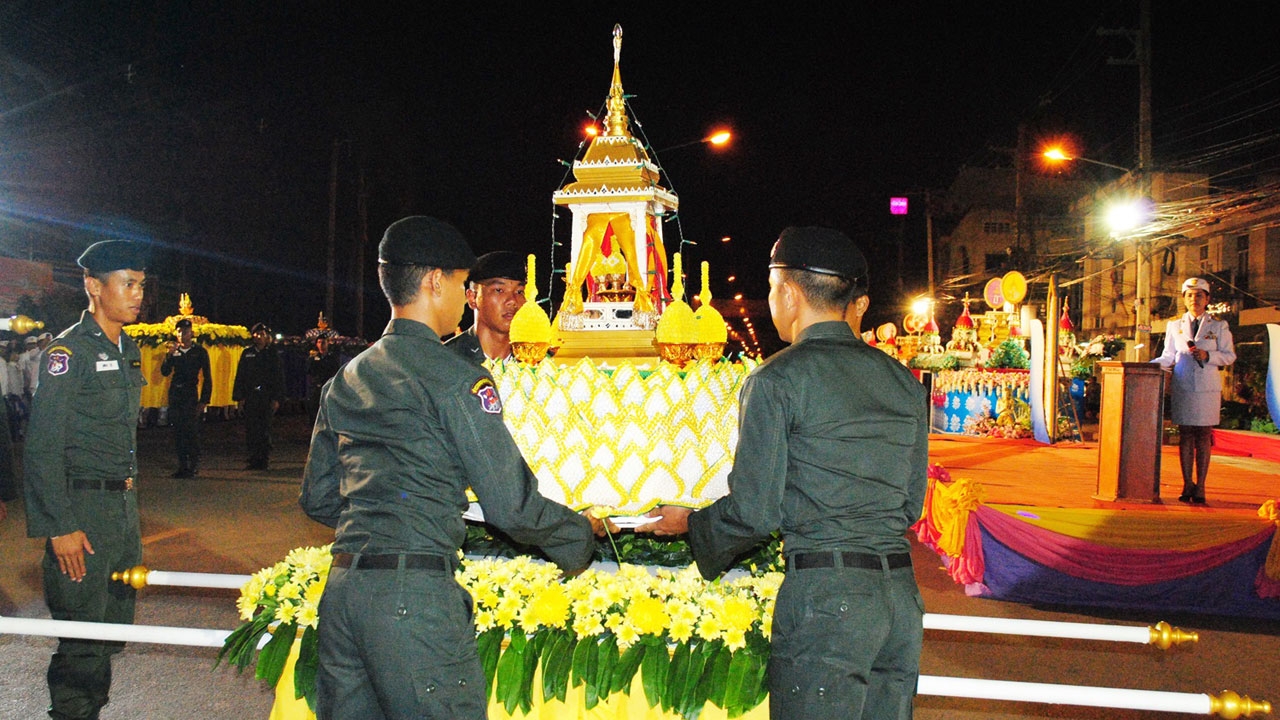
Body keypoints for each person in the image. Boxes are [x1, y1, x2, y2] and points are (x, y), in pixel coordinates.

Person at [299, 215, 604, 720]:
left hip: (344, 593)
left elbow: (319, 497)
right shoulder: (454, 377)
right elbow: (511, 504)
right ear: (435, 281)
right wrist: (580, 538)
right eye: (465, 284)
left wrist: (387, 517)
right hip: (413, 600)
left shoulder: (348, 376)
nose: (466, 297)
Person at [641, 227, 929, 720]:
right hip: (899, 599)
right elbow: (910, 503)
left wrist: (689, 523)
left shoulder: (778, 379)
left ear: (790, 294)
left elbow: (753, 511)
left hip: (827, 600)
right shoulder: (901, 380)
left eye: (773, 289)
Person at [24, 239, 149, 720]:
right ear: (94, 286)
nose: (137, 294)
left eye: (140, 285)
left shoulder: (129, 348)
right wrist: (59, 525)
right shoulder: (67, 353)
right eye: (128, 284)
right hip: (81, 512)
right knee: (81, 637)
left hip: (121, 511)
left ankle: (91, 709)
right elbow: (42, 446)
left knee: (111, 632)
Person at [1153, 277, 1236, 504]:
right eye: (1189, 295)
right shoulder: (1175, 326)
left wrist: (1208, 356)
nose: (1194, 299)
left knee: (1203, 436)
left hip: (1207, 389)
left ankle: (1201, 486)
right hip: (1183, 386)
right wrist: (1149, 365)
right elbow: (1168, 356)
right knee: (1186, 435)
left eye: (1199, 295)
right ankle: (1187, 483)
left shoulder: (1219, 326)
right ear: (1184, 299)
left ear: (1207, 299)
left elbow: (1229, 356)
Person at [444, 250, 527, 363]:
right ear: (472, 298)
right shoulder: (448, 359)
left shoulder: (535, 360)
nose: (512, 301)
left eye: (519, 292)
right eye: (499, 290)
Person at [160, 318, 211, 478]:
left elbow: (207, 378)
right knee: (178, 431)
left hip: (190, 394)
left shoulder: (199, 352)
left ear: (192, 333)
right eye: (180, 331)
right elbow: (165, 372)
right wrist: (169, 355)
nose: (183, 335)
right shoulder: (174, 351)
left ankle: (193, 464)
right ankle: (182, 465)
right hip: (176, 394)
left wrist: (204, 401)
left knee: (191, 431)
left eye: (186, 332)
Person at [232, 323, 286, 470]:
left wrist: (277, 398)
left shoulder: (272, 354)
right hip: (251, 396)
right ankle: (253, 458)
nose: (259, 337)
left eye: (262, 334)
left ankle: (263, 459)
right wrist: (239, 397)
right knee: (251, 428)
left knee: (264, 428)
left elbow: (278, 378)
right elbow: (241, 376)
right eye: (256, 334)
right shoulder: (247, 353)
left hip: (266, 396)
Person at [306, 332, 341, 418]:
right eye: (319, 342)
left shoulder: (332, 357)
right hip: (316, 385)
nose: (321, 345)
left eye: (323, 342)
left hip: (328, 384)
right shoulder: (313, 357)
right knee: (314, 406)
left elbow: (335, 370)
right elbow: (309, 371)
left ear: (327, 343)